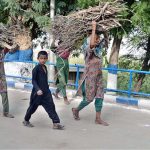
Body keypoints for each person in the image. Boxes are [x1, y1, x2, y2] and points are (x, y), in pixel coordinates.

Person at [72, 21, 109, 126]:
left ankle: (98, 118)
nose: (97, 41)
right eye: (95, 38)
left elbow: (106, 41)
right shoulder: (88, 49)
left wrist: (105, 31)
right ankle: (76, 109)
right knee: (89, 99)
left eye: (97, 39)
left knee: (100, 97)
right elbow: (92, 44)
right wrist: (93, 28)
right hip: (89, 78)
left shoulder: (98, 49)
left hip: (99, 77)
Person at [23, 51, 64, 130]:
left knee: (51, 106)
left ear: (47, 59)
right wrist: (38, 89)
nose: (43, 60)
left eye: (45, 58)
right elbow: (33, 81)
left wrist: (47, 89)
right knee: (32, 107)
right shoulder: (36, 69)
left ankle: (56, 123)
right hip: (37, 93)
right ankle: (26, 120)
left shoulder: (45, 67)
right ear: (38, 59)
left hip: (46, 92)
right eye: (41, 58)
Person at [52, 40, 70, 105]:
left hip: (66, 67)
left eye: (64, 44)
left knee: (65, 82)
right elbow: (51, 47)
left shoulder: (67, 50)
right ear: (59, 45)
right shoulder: (57, 51)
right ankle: (65, 98)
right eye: (61, 44)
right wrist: (55, 40)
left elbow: (71, 46)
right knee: (63, 82)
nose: (63, 46)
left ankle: (56, 93)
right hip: (60, 68)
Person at [0, 48, 14, 118]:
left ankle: (6, 112)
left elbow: (11, 48)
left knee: (4, 94)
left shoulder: (2, 52)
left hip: (2, 79)